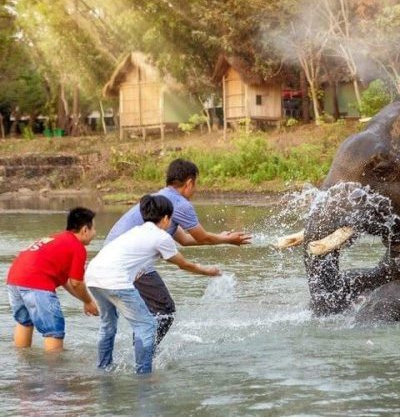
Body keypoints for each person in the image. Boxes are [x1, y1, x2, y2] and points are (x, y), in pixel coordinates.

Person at [104, 158, 251, 346]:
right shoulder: (180, 204)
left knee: (153, 311)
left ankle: (141, 350)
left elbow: (185, 239)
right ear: (189, 182)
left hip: (114, 257)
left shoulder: (161, 199)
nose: (195, 189)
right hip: (128, 261)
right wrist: (228, 240)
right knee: (164, 309)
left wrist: (220, 237)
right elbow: (202, 237)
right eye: (195, 184)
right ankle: (143, 353)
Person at [86, 195, 221, 374]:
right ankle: (144, 374)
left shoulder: (135, 231)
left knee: (108, 324)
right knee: (147, 325)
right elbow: (184, 265)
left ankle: (104, 367)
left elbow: (128, 260)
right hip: (115, 279)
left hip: (93, 276)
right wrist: (208, 271)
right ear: (166, 218)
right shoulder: (161, 237)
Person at [6, 207, 99, 351]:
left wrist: (85, 301)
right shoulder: (77, 247)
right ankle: (54, 372)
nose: (95, 234)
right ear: (85, 229)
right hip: (36, 283)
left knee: (25, 322)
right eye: (94, 229)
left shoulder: (56, 238)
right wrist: (88, 301)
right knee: (54, 332)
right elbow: (76, 283)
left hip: (14, 279)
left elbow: (66, 281)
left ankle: (22, 368)